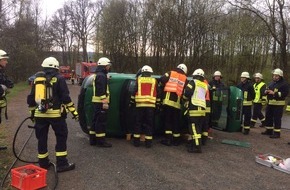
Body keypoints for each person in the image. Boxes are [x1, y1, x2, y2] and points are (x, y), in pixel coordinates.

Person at [27, 57, 78, 172]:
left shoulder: (37, 79)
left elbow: (31, 98)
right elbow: (66, 98)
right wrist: (74, 113)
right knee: (61, 137)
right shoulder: (59, 79)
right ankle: (61, 164)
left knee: (42, 139)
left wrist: (32, 113)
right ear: (56, 67)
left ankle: (43, 163)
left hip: (40, 115)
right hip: (56, 116)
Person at [130, 65, 160, 148]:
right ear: (151, 73)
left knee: (138, 123)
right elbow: (158, 93)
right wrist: (158, 104)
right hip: (150, 106)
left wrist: (131, 102)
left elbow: (134, 91)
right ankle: (148, 143)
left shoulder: (138, 80)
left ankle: (136, 142)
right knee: (149, 124)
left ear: (142, 72)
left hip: (139, 105)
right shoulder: (154, 81)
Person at [159, 63, 188, 146]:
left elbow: (162, 79)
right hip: (177, 104)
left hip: (168, 102)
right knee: (176, 122)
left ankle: (168, 139)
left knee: (168, 121)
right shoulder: (185, 78)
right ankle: (176, 140)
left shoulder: (171, 73)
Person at [89, 57, 112, 147]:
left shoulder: (99, 75)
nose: (109, 67)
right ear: (104, 66)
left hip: (97, 101)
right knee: (101, 122)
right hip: (101, 102)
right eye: (108, 66)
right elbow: (100, 89)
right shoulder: (101, 76)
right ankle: (101, 142)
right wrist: (104, 100)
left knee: (95, 121)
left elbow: (100, 85)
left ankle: (93, 140)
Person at [183, 69, 207, 153]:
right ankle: (194, 144)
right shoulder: (204, 85)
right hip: (202, 110)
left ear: (195, 75)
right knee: (198, 129)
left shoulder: (193, 82)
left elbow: (187, 93)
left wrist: (185, 99)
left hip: (194, 109)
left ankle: (197, 147)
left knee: (193, 129)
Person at [262, 68, 289, 138]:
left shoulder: (284, 84)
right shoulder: (272, 83)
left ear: (280, 76)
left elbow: (285, 93)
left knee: (277, 119)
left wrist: (274, 93)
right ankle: (269, 130)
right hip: (270, 103)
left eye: (276, 76)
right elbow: (268, 88)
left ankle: (277, 133)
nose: (274, 77)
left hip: (278, 105)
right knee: (268, 117)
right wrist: (266, 91)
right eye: (274, 75)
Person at [0, 49, 14, 150]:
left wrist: (7, 84)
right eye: (4, 59)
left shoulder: (1, 72)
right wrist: (3, 88)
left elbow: (8, 82)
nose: (6, 62)